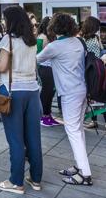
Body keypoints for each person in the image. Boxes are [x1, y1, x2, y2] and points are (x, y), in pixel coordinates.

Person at [37, 14, 92, 186]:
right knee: (78, 130)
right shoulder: (78, 42)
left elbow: (34, 60)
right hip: (82, 89)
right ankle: (79, 166)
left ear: (54, 27)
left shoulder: (55, 46)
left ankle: (85, 174)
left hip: (69, 93)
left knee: (73, 131)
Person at [0, 6, 41, 194]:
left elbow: (3, 67)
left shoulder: (8, 40)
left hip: (13, 92)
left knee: (15, 139)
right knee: (33, 138)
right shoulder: (31, 40)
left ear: (11, 21)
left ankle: (16, 181)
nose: (3, 22)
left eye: (5, 19)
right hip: (32, 91)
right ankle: (35, 179)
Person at [81, 16, 106, 135]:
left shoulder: (82, 38)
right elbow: (100, 51)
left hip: (89, 70)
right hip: (99, 69)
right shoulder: (95, 38)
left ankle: (95, 121)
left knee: (92, 94)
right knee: (102, 94)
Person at [36, 17, 59, 127]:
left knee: (49, 93)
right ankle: (43, 116)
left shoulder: (44, 36)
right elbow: (41, 55)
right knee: (46, 93)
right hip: (46, 68)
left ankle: (47, 115)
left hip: (48, 68)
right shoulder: (43, 37)